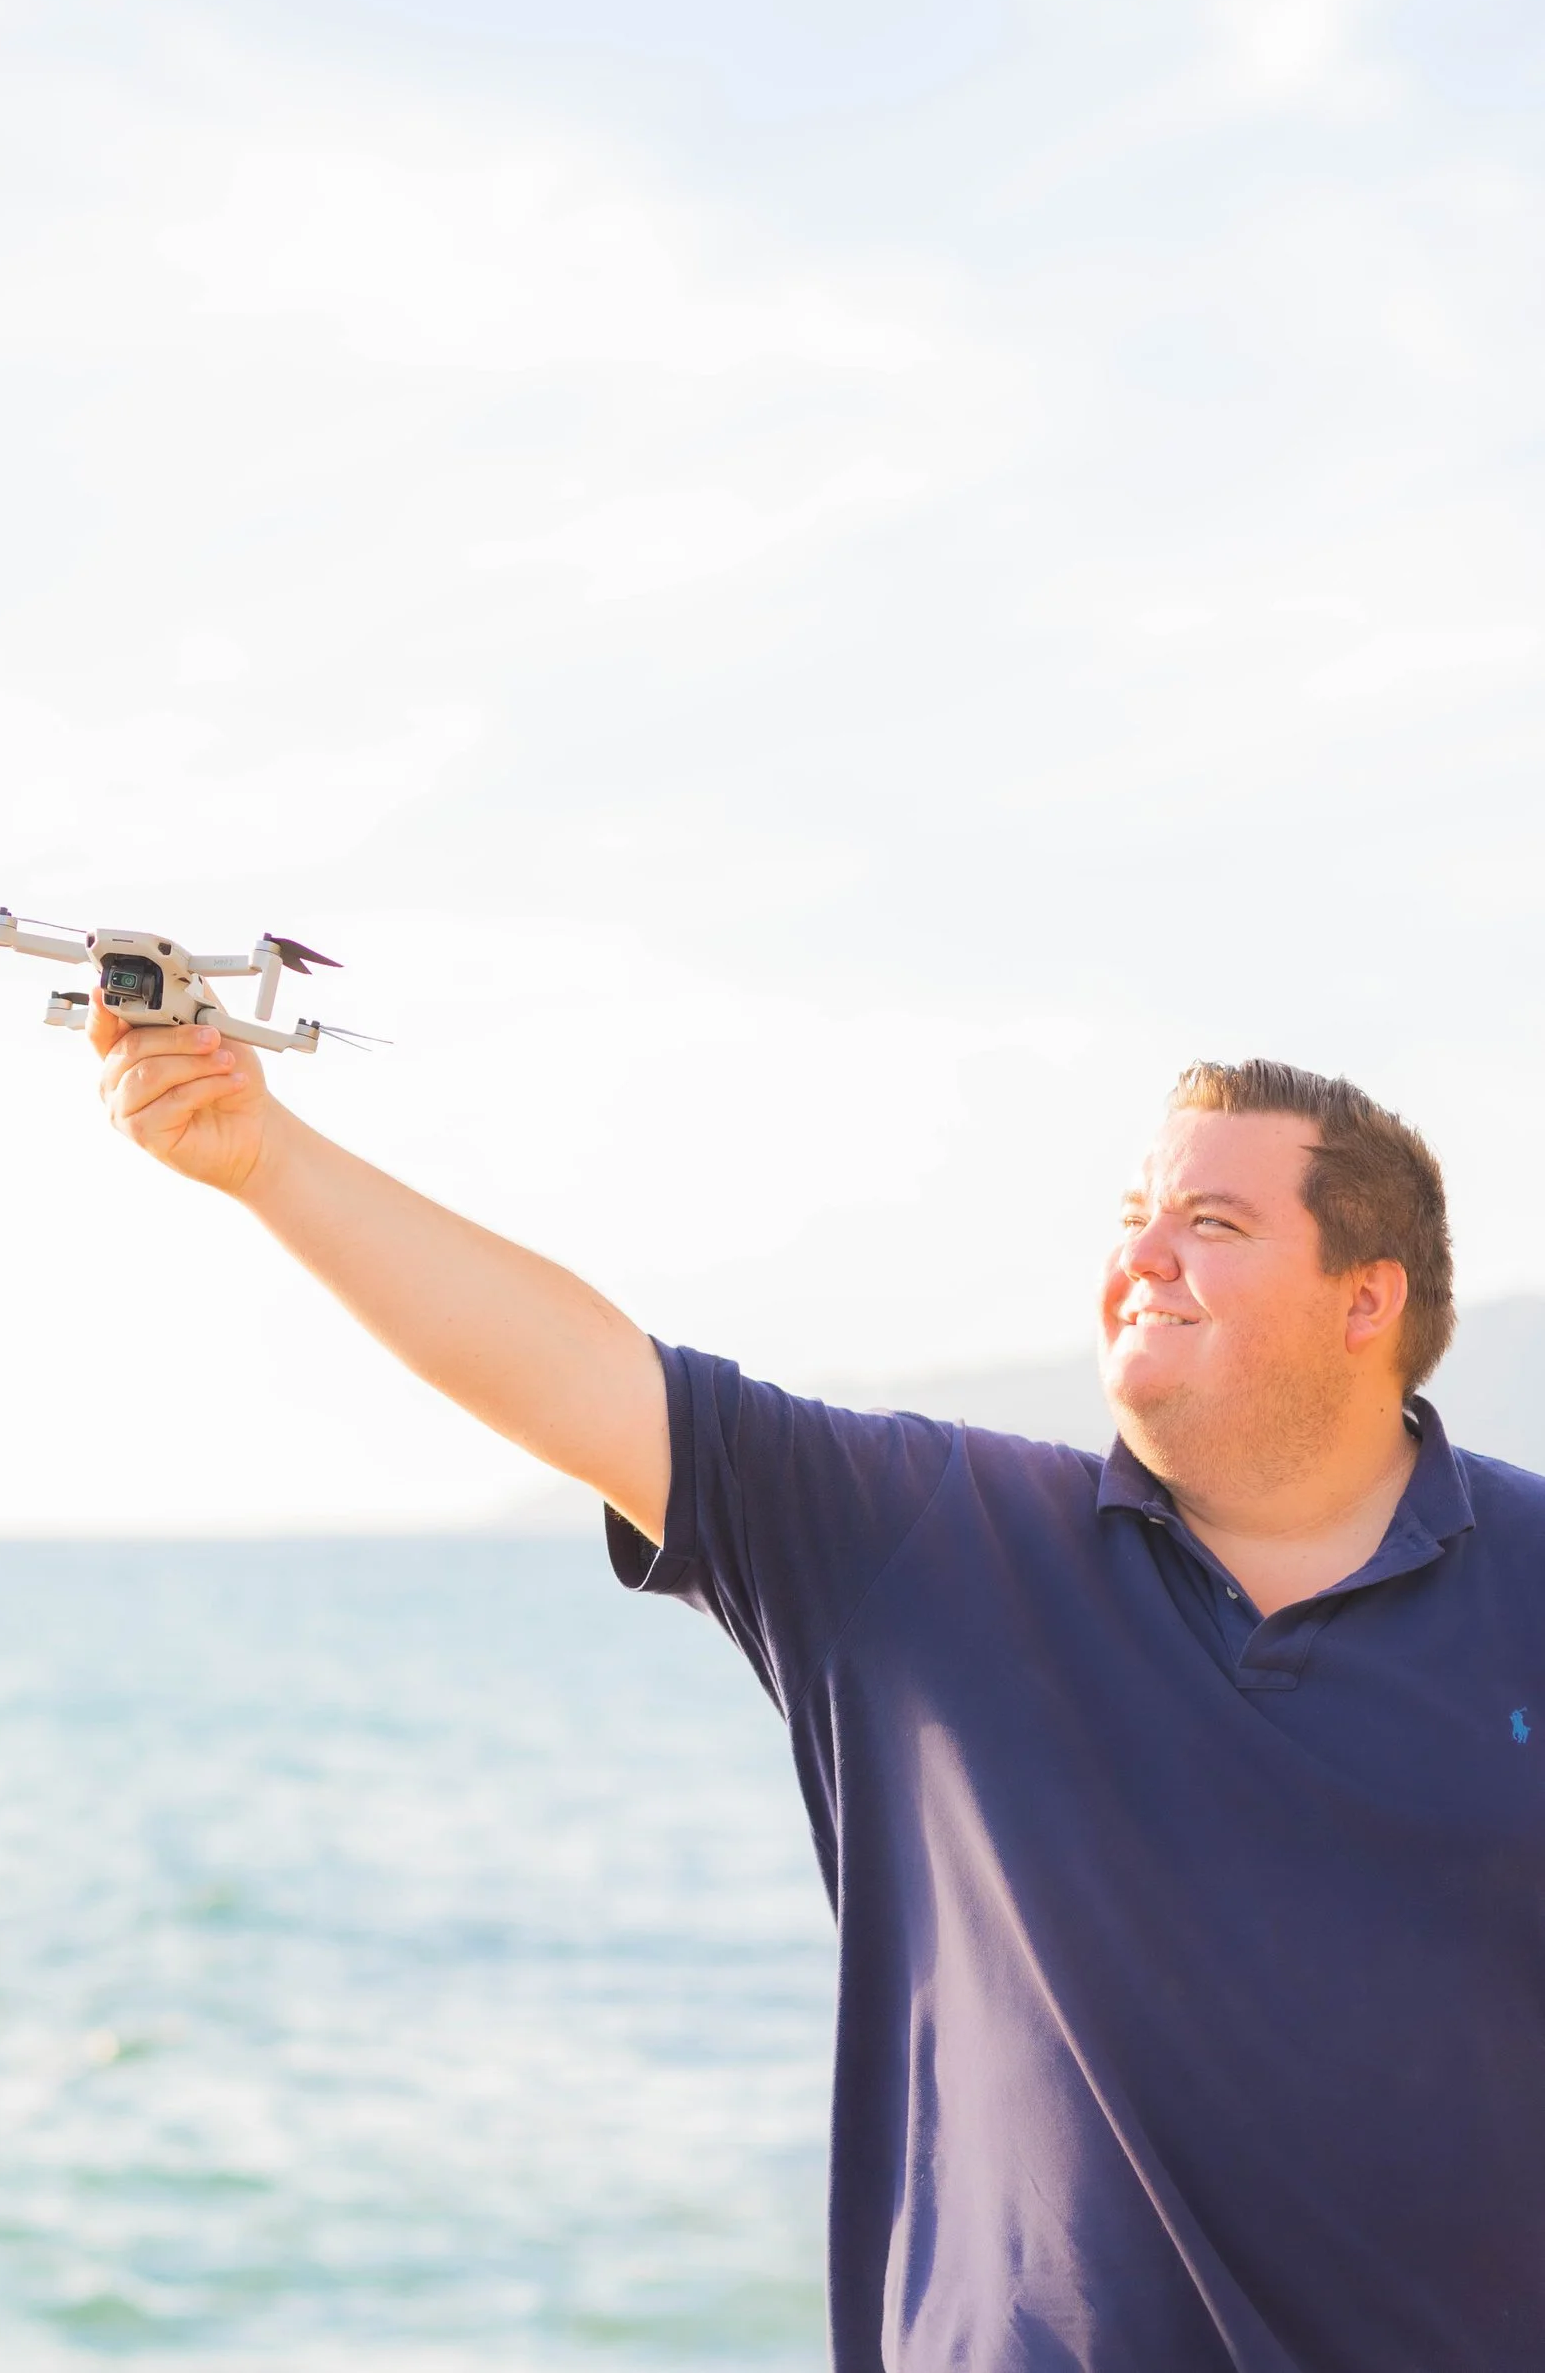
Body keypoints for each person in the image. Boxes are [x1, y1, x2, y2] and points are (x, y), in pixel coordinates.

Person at [86, 1007, 1545, 2373]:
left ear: (1367, 1300)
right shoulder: (941, 1540)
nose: (1143, 1256)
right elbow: (587, 1381)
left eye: (1212, 1223)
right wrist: (265, 1157)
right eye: (1132, 1218)